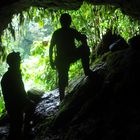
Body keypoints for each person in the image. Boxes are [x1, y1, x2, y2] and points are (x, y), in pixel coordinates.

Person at [49, 13, 91, 102]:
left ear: (61, 22)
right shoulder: (71, 31)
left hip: (62, 58)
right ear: (69, 22)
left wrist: (51, 61)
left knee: (62, 78)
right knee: (84, 48)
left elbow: (51, 47)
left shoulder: (57, 33)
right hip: (70, 56)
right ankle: (86, 70)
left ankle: (61, 98)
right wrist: (84, 39)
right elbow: (81, 38)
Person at [1, 52, 34, 140]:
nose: (19, 63)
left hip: (12, 105)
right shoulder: (13, 76)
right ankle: (26, 131)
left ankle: (25, 130)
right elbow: (19, 92)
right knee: (16, 128)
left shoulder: (9, 75)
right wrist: (27, 100)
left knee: (15, 127)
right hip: (15, 106)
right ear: (14, 63)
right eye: (18, 61)